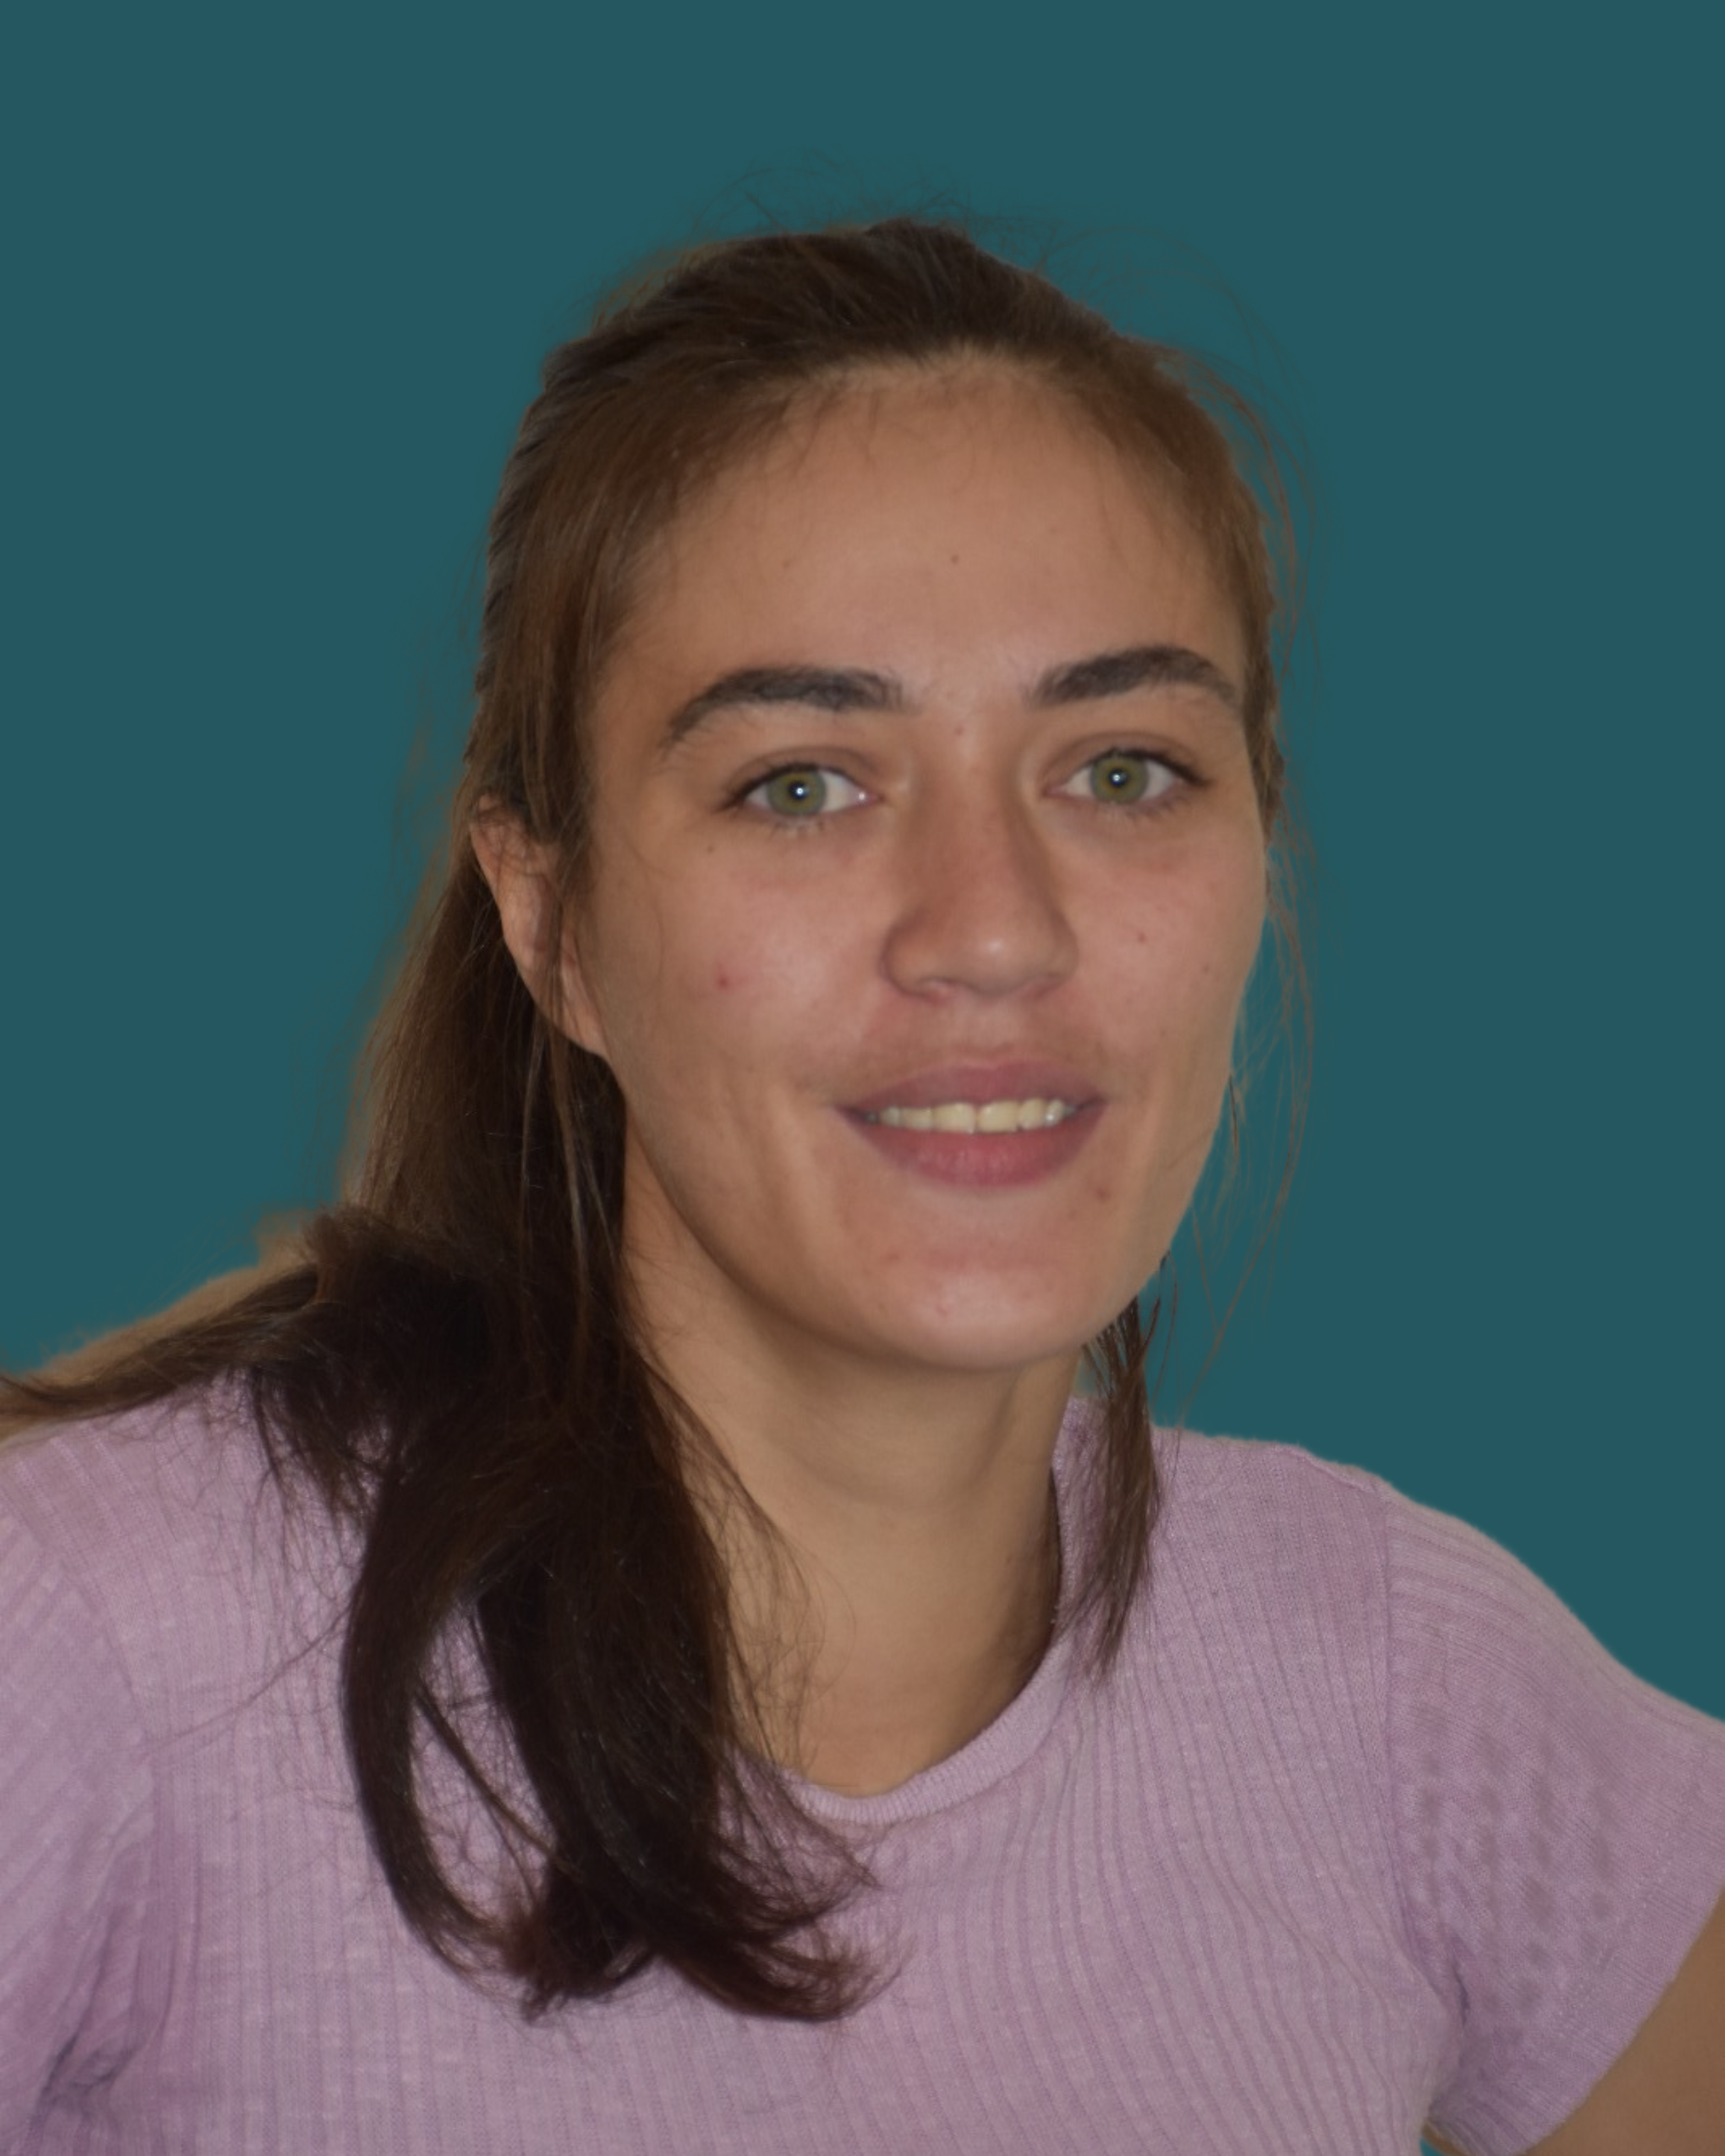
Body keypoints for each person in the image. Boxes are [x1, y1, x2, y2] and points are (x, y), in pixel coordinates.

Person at [1, 215, 1720, 2155]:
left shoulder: (1406, 1688)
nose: (991, 932)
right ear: (549, 917)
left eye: (1124, 769)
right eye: (801, 782)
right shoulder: (86, 1638)